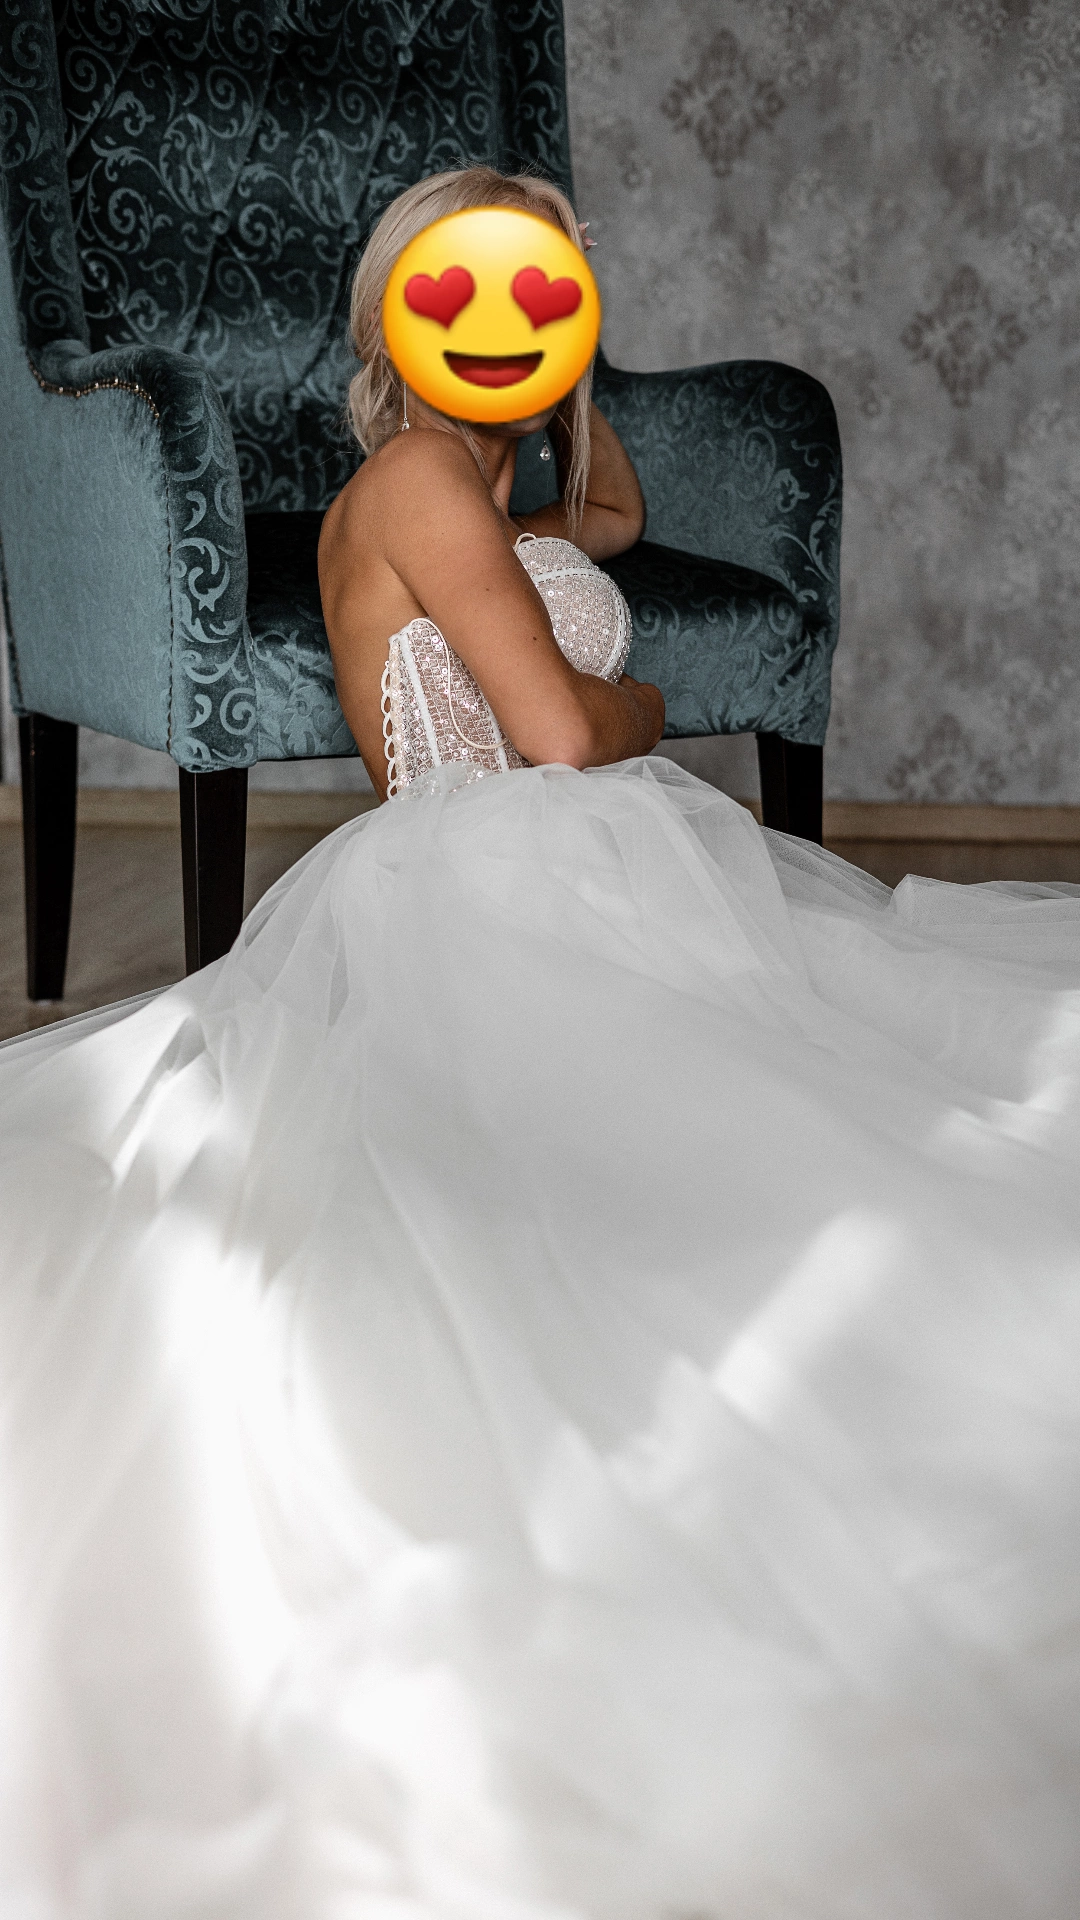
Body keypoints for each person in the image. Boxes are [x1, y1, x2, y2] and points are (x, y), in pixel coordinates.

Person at [1, 165, 1079, 1919]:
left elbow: (613, 521)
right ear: (398, 311)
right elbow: (568, 738)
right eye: (477, 288)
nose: (512, 319)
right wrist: (647, 703)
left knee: (803, 1071)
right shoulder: (420, 483)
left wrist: (571, 391)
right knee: (710, 1150)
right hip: (501, 863)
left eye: (545, 293)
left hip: (576, 850)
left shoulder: (481, 479)